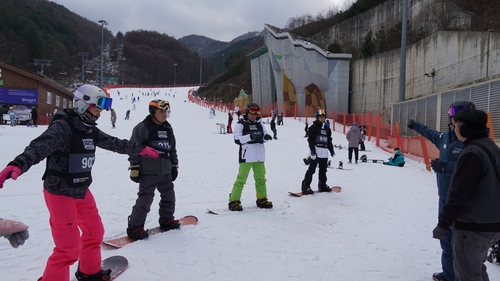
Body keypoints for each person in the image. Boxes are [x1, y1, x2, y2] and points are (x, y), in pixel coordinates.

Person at [0, 84, 159, 281]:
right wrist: (18, 164)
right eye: (98, 106)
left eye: (103, 107)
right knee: (68, 248)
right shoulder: (63, 127)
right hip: (59, 192)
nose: (100, 112)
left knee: (94, 232)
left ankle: (89, 271)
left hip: (81, 190)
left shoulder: (89, 129)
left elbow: (115, 143)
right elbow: (39, 147)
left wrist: (139, 150)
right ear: (84, 104)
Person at [408, 100, 475, 281]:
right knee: (445, 240)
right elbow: (431, 134)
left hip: (464, 204)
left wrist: (446, 167)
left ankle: (460, 277)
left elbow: (475, 169)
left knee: (459, 246)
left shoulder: (474, 143)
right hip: (444, 199)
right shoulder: (446, 138)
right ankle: (449, 274)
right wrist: (416, 126)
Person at [432, 107, 500, 281]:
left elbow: (458, 194)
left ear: (465, 129)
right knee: (476, 268)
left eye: (456, 125)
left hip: (473, 226)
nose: (454, 129)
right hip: (490, 222)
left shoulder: (472, 153)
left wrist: (443, 224)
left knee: (467, 272)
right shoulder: (489, 146)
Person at [126, 99, 180, 241]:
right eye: (161, 111)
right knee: (145, 199)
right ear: (153, 112)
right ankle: (134, 227)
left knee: (169, 197)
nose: (164, 115)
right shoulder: (143, 127)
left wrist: (174, 165)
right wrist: (134, 167)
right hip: (148, 171)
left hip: (166, 171)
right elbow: (133, 148)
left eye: (166, 112)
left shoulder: (168, 128)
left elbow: (172, 149)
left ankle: (167, 219)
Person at [228, 102, 273, 211]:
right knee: (241, 180)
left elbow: (264, 136)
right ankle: (234, 200)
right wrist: (250, 136)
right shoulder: (241, 124)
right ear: (247, 112)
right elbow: (237, 139)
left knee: (261, 179)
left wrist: (266, 137)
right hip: (247, 156)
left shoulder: (259, 123)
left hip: (259, 155)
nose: (254, 116)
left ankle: (262, 199)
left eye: (256, 114)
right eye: (252, 113)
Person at [301, 109, 335, 194]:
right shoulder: (313, 128)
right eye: (320, 117)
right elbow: (310, 140)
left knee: (323, 170)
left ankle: (322, 185)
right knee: (312, 169)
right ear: (317, 117)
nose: (322, 119)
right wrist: (312, 151)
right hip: (316, 151)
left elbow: (329, 140)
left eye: (323, 117)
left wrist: (331, 150)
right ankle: (306, 186)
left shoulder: (327, 129)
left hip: (324, 152)